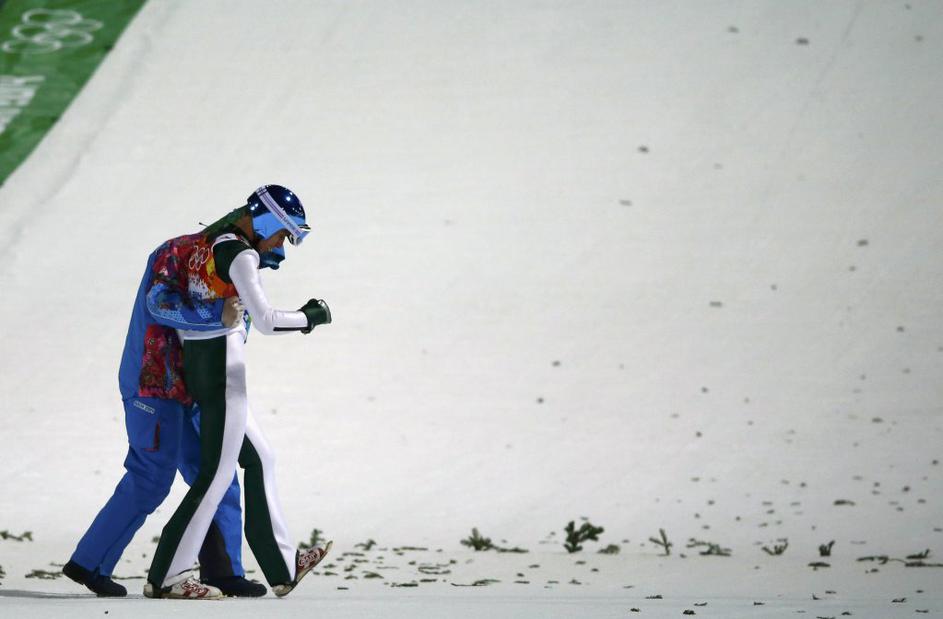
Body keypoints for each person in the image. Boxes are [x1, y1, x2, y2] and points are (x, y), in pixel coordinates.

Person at [144, 184, 332, 600]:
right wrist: (310, 316)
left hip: (207, 365)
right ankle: (168, 576)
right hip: (222, 372)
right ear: (265, 220)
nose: (281, 245)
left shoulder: (210, 244)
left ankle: (282, 566)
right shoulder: (242, 254)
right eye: (282, 233)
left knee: (261, 458)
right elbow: (264, 320)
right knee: (214, 478)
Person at [64, 223, 267, 598]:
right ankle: (89, 563)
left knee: (218, 475)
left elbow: (242, 324)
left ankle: (224, 571)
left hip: (195, 389)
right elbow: (157, 303)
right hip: (152, 383)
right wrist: (215, 316)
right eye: (283, 238)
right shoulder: (179, 253)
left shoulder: (241, 266)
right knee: (151, 476)